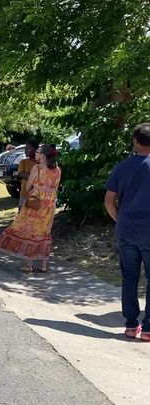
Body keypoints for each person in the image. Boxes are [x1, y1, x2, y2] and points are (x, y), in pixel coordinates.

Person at [104, 123, 150, 341]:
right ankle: (148, 328)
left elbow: (109, 201)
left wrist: (119, 219)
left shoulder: (121, 167)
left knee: (129, 278)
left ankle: (131, 325)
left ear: (135, 141)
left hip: (127, 230)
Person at [0, 144, 61, 272]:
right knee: (45, 231)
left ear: (43, 155)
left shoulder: (37, 168)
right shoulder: (57, 170)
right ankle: (43, 265)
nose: (36, 153)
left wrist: (37, 189)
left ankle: (29, 264)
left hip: (36, 203)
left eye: (38, 152)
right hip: (49, 205)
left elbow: (28, 186)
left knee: (31, 230)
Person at [17, 141, 40, 208]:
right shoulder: (24, 162)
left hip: (37, 194)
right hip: (24, 193)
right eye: (25, 149)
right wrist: (34, 177)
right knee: (21, 212)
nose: (25, 151)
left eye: (28, 149)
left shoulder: (41, 163)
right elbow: (20, 174)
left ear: (35, 150)